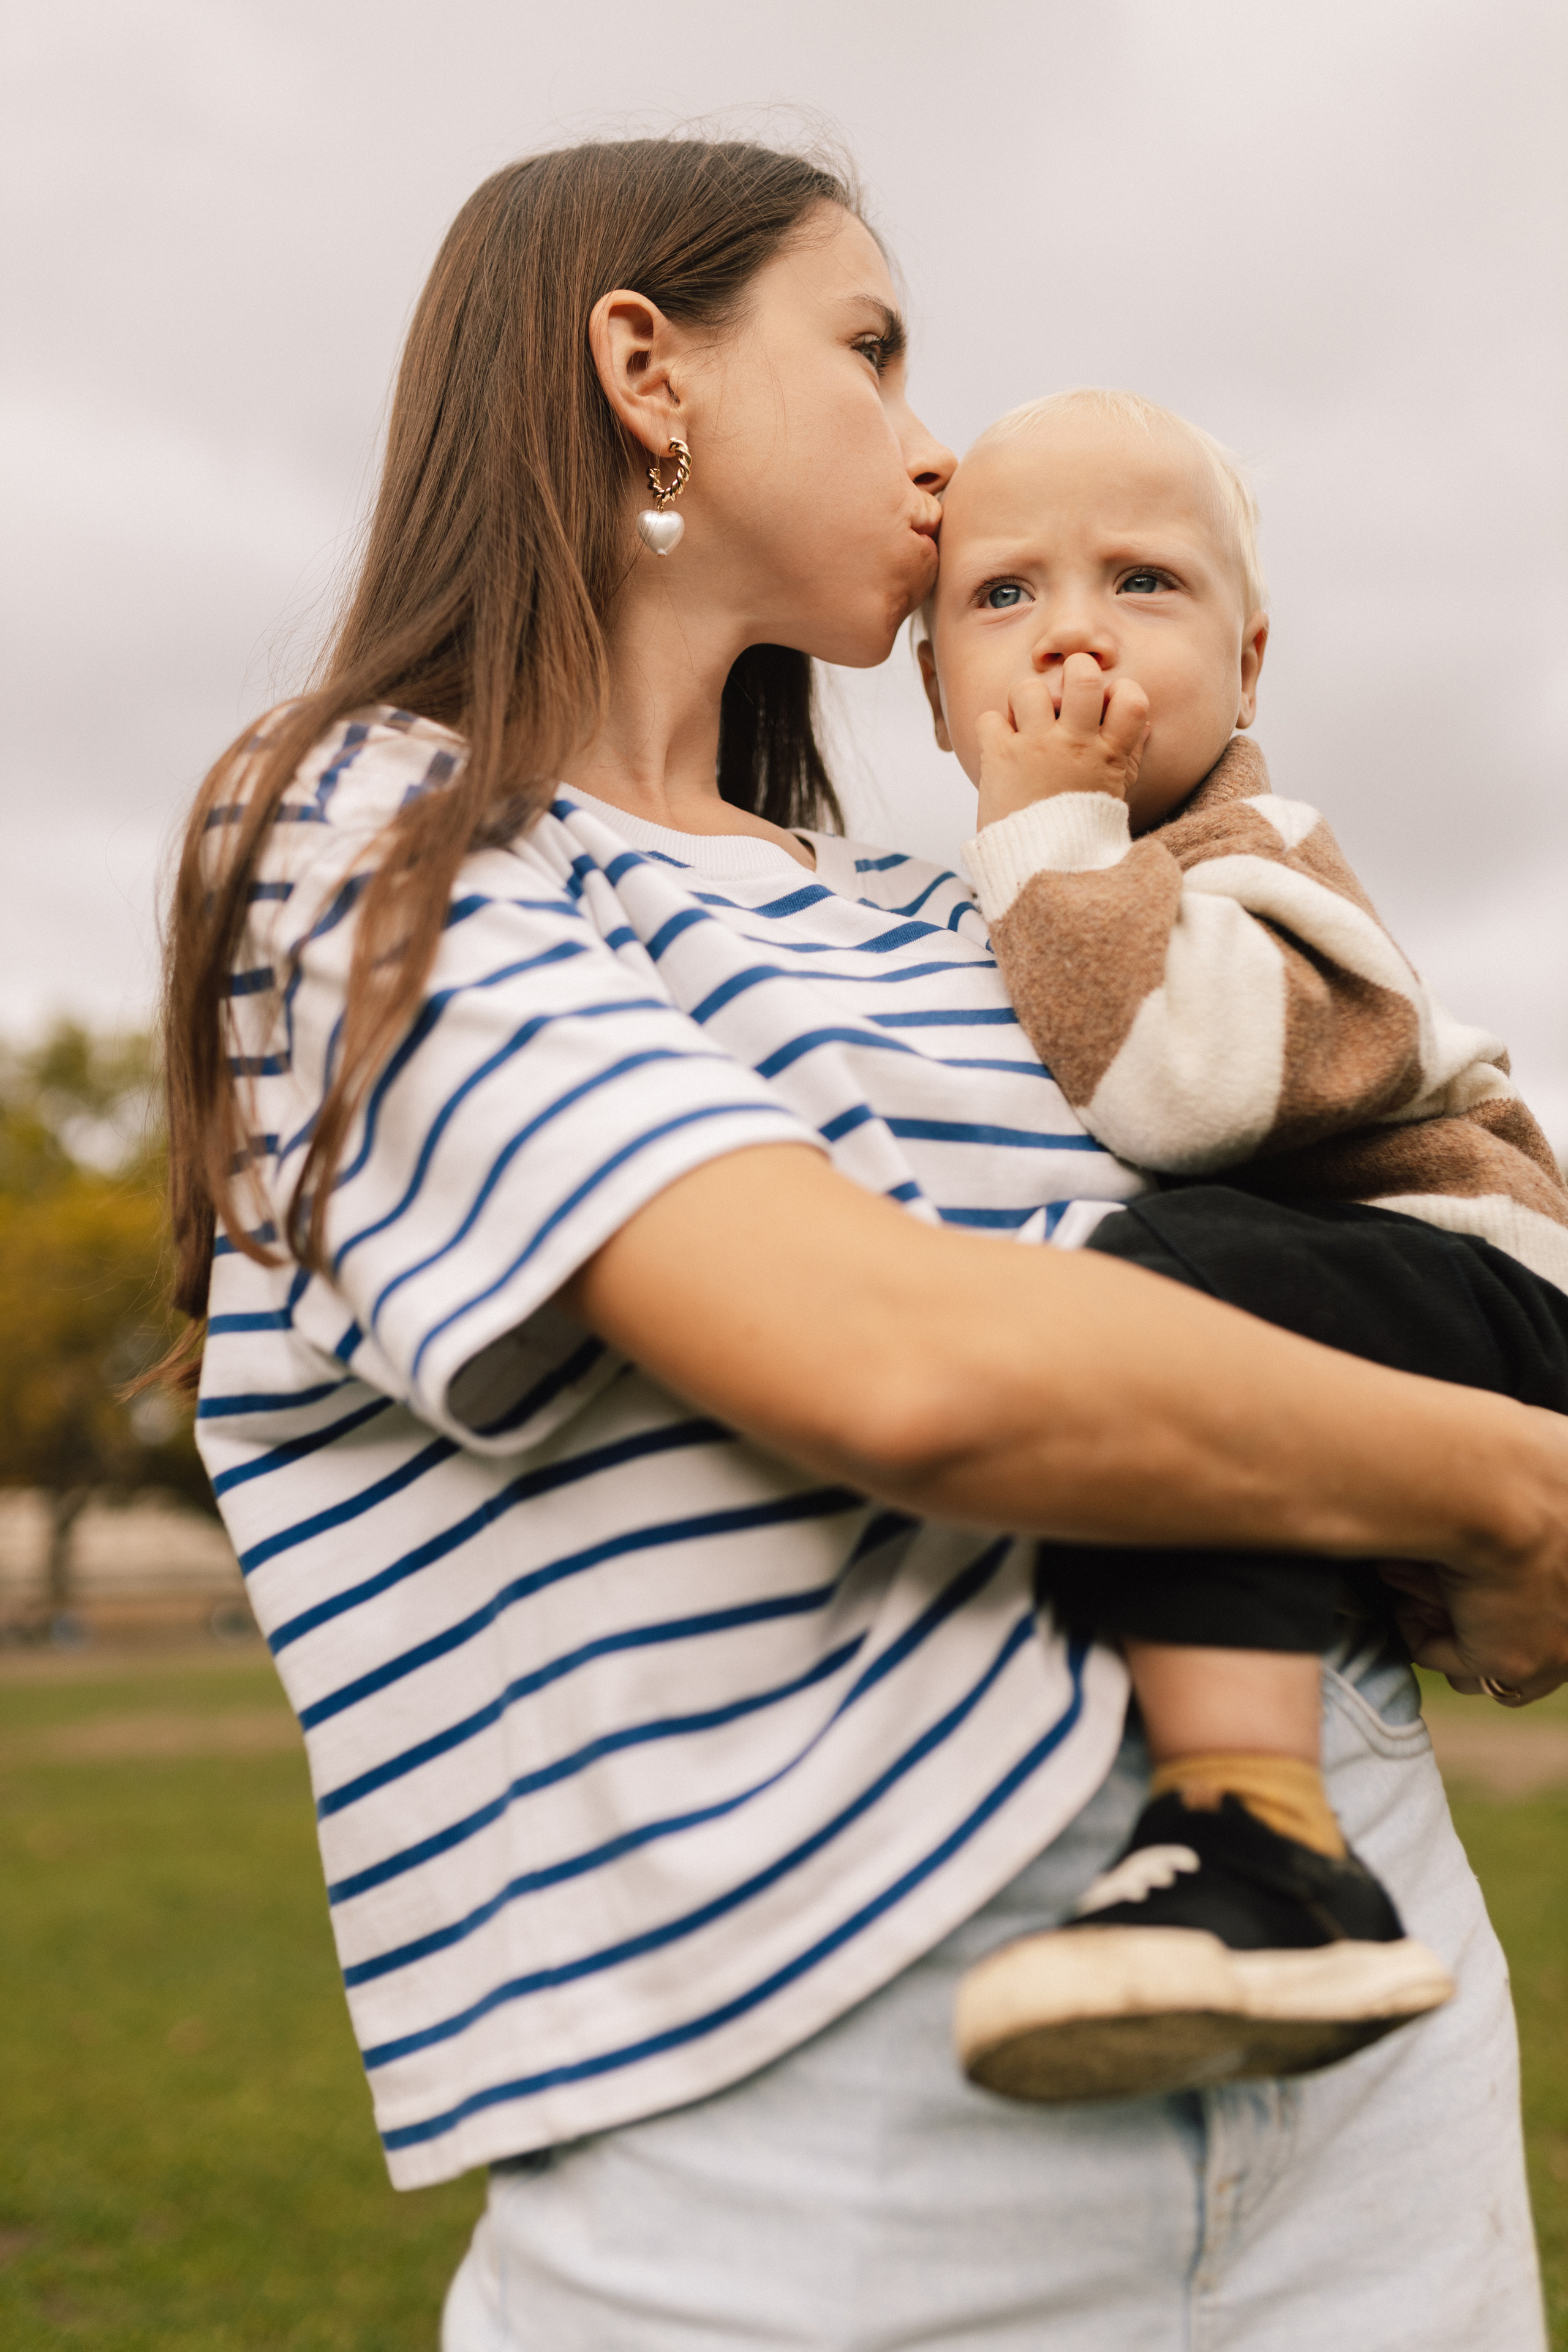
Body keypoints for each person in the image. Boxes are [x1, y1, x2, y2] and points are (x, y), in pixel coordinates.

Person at [157, 138, 1567, 2350]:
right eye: (875, 352)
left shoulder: (969, 910)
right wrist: (1507, 1484)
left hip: (1378, 2056)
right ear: (650, 368)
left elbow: (1355, 1251)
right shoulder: (372, 827)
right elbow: (910, 1364)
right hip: (841, 2139)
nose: (940, 464)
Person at [914, 386, 1568, 2108]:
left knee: (1158, 1308)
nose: (1072, 634)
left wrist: (1042, 832)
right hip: (1371, 1301)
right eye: (1002, 597)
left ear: (1251, 663)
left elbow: (1183, 1092)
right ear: (930, 694)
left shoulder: (1248, 856)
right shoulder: (1043, 893)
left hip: (1471, 1270)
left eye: (1143, 583)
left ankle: (1256, 1830)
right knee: (1171, 1307)